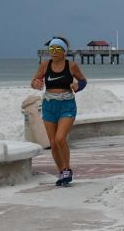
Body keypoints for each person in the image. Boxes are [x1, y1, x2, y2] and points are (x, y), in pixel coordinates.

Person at [30, 36, 87, 186]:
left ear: (64, 52)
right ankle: (62, 171)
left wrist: (78, 86)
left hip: (67, 105)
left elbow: (83, 80)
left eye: (57, 49)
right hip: (49, 105)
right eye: (52, 49)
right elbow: (34, 82)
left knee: (60, 138)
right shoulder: (44, 65)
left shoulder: (71, 66)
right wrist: (36, 83)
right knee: (53, 143)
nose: (54, 52)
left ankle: (67, 169)